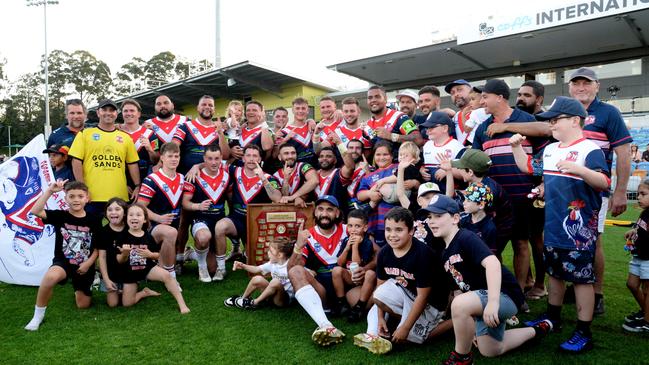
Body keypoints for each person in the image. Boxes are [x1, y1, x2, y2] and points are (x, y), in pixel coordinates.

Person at [512, 96, 609, 353]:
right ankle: (552, 318)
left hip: (578, 232)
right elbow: (528, 167)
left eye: (556, 120)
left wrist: (580, 171)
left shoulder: (590, 149)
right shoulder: (552, 149)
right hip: (553, 227)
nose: (551, 125)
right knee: (555, 274)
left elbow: (603, 182)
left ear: (575, 120)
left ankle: (583, 331)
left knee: (581, 280)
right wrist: (516, 147)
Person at [423, 195, 549, 364]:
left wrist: (493, 302)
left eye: (438, 216)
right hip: (482, 299)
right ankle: (538, 330)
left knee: (459, 303)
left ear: (455, 218)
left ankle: (462, 358)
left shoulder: (465, 237)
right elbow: (460, 289)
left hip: (504, 296)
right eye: (429, 217)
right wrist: (471, 328)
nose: (432, 221)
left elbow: (493, 264)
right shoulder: (444, 252)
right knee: (490, 349)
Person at [472, 79, 549, 291]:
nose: (481, 101)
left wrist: (542, 182)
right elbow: (476, 160)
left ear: (500, 97)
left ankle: (519, 292)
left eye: (485, 97)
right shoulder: (482, 128)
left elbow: (545, 150)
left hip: (523, 196)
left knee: (521, 244)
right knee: (491, 247)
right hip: (494, 199)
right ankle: (494, 289)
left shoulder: (525, 120)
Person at [354, 207, 450, 355]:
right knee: (380, 295)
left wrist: (405, 328)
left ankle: (453, 322)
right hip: (407, 293)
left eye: (399, 230)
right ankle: (373, 333)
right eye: (388, 230)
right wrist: (381, 317)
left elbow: (423, 297)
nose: (392, 235)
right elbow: (379, 290)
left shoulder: (422, 255)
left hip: (432, 303)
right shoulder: (385, 253)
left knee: (414, 338)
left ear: (411, 231)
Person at [24, 180, 102, 331]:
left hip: (84, 265)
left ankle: (82, 285)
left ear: (87, 198)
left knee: (83, 305)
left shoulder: (94, 219)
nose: (76, 200)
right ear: (65, 198)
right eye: (71, 196)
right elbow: (35, 211)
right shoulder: (60, 216)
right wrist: (50, 191)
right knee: (50, 277)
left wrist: (88, 264)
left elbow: (99, 247)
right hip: (63, 262)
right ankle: (37, 316)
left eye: (80, 196)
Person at [213, 144, 282, 280]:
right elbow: (213, 164)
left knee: (256, 266)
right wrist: (196, 167)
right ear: (243, 158)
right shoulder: (234, 171)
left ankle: (246, 252)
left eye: (254, 156)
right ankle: (220, 268)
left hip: (257, 224)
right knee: (220, 227)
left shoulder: (268, 177)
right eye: (248, 155)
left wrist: (262, 178)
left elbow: (277, 198)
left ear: (260, 158)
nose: (251, 159)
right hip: (237, 219)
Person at [288, 195, 347, 346]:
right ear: (315, 213)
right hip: (322, 292)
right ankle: (325, 324)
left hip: (347, 288)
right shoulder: (308, 235)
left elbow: (376, 253)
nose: (324, 214)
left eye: (329, 209)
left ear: (337, 213)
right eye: (320, 209)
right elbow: (291, 269)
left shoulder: (349, 229)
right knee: (296, 271)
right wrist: (298, 246)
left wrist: (365, 268)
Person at [68, 99, 141, 215]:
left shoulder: (125, 137)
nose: (108, 113)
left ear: (116, 114)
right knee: (93, 231)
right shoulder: (85, 134)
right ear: (98, 113)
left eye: (112, 110)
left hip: (119, 197)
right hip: (92, 197)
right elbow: (76, 161)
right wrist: (82, 188)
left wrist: (137, 185)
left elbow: (132, 164)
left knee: (117, 232)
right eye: (104, 110)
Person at [117, 203, 190, 313]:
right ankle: (144, 293)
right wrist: (125, 254)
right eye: (131, 215)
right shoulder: (122, 236)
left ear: (145, 220)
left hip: (147, 268)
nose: (134, 218)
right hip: (129, 272)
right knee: (127, 303)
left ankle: (182, 305)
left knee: (167, 275)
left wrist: (150, 255)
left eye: (138, 215)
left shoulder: (147, 236)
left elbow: (157, 254)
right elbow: (119, 260)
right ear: (126, 218)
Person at [449, 149, 514, 261]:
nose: (458, 170)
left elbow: (487, 219)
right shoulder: (477, 184)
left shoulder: (488, 190)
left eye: (460, 168)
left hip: (497, 228)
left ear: (470, 172)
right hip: (486, 225)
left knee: (489, 256)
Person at [181, 144, 231, 282]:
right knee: (203, 238)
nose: (213, 162)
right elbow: (185, 203)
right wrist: (198, 206)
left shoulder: (227, 172)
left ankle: (216, 266)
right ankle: (201, 268)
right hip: (201, 220)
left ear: (221, 158)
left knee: (213, 269)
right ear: (204, 159)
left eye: (216, 158)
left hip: (218, 221)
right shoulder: (194, 175)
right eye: (210, 159)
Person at [137, 142, 185, 285]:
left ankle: (160, 268)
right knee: (170, 233)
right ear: (162, 158)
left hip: (173, 228)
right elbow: (140, 206)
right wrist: (159, 218)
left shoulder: (182, 178)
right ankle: (171, 276)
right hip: (153, 228)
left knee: (171, 234)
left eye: (176, 156)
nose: (174, 159)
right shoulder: (152, 180)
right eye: (170, 156)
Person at [331, 209, 379, 322]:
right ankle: (341, 303)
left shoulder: (367, 243)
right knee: (336, 270)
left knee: (371, 274)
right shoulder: (346, 240)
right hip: (350, 276)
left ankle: (359, 307)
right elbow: (340, 263)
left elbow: (357, 264)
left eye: (357, 226)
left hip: (362, 277)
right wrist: (347, 247)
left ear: (365, 228)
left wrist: (355, 246)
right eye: (350, 226)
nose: (353, 229)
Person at [224, 237, 295, 309]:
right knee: (257, 279)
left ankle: (254, 303)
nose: (268, 253)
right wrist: (243, 266)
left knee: (275, 282)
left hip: (283, 300)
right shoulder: (272, 264)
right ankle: (242, 299)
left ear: (280, 255)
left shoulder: (290, 265)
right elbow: (256, 269)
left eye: (270, 251)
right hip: (272, 295)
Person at [357, 141, 399, 247]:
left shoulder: (398, 168)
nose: (382, 157)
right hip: (378, 222)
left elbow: (412, 182)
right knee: (381, 252)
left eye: (385, 154)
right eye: (378, 154)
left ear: (392, 156)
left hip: (398, 219)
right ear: (374, 156)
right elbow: (360, 195)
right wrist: (370, 194)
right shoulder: (369, 176)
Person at [364, 85, 423, 159]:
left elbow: (418, 139)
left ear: (385, 99)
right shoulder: (366, 126)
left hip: (399, 167)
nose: (373, 100)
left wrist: (391, 136)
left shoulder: (399, 117)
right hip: (378, 169)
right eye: (370, 98)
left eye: (377, 96)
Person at [622, 179, 649, 333]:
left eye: (643, 194)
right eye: (638, 194)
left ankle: (647, 322)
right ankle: (645, 311)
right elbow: (639, 227)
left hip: (648, 258)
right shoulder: (645, 212)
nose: (639, 197)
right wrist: (633, 232)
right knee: (632, 284)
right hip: (638, 256)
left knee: (647, 289)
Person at [420, 112, 465, 194]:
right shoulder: (427, 145)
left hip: (450, 195)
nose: (428, 131)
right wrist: (421, 170)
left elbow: (465, 174)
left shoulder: (457, 147)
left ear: (445, 128)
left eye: (432, 127)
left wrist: (448, 171)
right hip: (430, 194)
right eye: (427, 128)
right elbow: (422, 164)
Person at [97, 197, 130, 308]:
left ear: (125, 213)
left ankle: (144, 292)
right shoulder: (102, 231)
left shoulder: (130, 229)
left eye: (117, 209)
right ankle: (120, 291)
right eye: (110, 210)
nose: (113, 212)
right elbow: (101, 257)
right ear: (106, 213)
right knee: (113, 304)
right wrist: (106, 279)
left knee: (127, 303)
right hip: (111, 274)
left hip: (128, 273)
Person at [120, 99, 159, 189]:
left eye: (132, 110)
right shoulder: (116, 133)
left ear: (139, 114)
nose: (128, 113)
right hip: (121, 182)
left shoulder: (150, 134)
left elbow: (156, 160)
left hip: (145, 182)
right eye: (125, 111)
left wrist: (150, 149)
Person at [372, 141, 422, 207]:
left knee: (380, 185)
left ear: (414, 158)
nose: (402, 157)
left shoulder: (409, 167)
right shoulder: (410, 167)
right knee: (378, 190)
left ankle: (369, 203)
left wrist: (383, 180)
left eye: (406, 155)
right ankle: (370, 204)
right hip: (401, 194)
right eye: (401, 155)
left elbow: (396, 177)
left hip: (403, 193)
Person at [274, 97, 317, 166]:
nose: (300, 111)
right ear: (293, 110)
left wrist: (310, 120)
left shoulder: (313, 127)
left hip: (316, 168)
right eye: (297, 108)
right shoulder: (284, 132)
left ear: (308, 110)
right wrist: (285, 140)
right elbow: (275, 155)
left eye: (303, 108)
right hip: (295, 171)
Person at [459, 182, 497, 253]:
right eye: (464, 199)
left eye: (468, 200)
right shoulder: (461, 219)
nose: (464, 203)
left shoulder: (490, 228)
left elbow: (490, 254)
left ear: (481, 205)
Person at [445, 79, 474, 145]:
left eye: (459, 90)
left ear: (471, 91)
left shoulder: (483, 112)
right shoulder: (455, 118)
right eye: (452, 93)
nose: (456, 95)